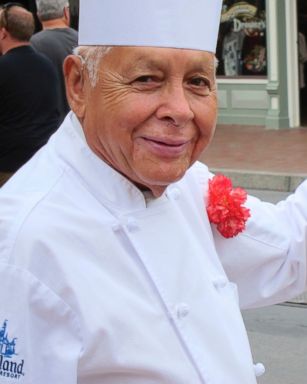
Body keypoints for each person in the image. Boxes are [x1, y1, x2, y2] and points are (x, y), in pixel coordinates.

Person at [0, 0, 306, 382]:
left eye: (198, 82)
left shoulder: (188, 186)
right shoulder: (24, 241)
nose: (180, 110)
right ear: (79, 84)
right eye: (147, 79)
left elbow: (291, 251)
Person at [0, 3, 61, 187]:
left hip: (9, 167)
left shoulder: (3, 68)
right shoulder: (46, 65)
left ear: (3, 33)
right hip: (42, 163)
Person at [31, 0, 78, 122]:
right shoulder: (82, 42)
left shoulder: (31, 46)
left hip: (47, 126)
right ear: (66, 12)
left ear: (38, 15)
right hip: (79, 123)